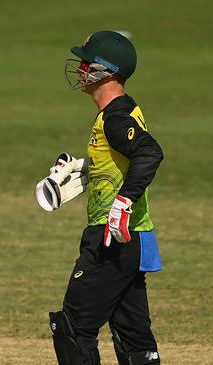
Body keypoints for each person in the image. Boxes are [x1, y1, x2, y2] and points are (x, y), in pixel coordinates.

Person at [48, 31, 164, 364]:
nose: (80, 68)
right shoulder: (120, 112)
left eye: (86, 62)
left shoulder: (115, 118)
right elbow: (125, 162)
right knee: (133, 337)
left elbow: (150, 153)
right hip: (132, 239)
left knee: (73, 328)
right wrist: (83, 172)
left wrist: (122, 202)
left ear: (106, 72)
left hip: (111, 236)